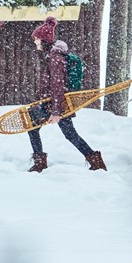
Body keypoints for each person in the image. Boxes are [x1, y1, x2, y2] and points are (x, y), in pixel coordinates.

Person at [27, 16, 106, 172]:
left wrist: (55, 112)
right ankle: (95, 161)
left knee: (33, 126)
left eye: (36, 39)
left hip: (56, 104)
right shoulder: (53, 56)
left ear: (43, 40)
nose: (35, 42)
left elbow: (58, 86)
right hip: (55, 103)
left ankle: (40, 163)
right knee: (69, 134)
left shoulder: (55, 59)